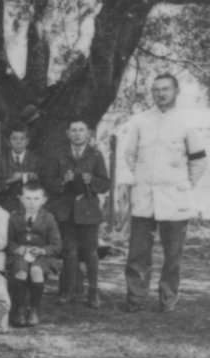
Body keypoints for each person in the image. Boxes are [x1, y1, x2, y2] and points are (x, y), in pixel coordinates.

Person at [122, 73, 207, 312]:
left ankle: (168, 298)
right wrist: (143, 177)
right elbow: (130, 155)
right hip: (145, 198)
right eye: (156, 89)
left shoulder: (186, 122)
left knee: (172, 255)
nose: (160, 94)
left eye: (165, 89)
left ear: (176, 91)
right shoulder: (140, 121)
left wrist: (184, 183)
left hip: (175, 199)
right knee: (138, 252)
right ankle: (136, 298)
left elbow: (199, 160)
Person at [45, 118, 110, 308]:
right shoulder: (59, 155)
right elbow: (48, 182)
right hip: (65, 211)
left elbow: (105, 184)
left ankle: (93, 293)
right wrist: (63, 181)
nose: (77, 134)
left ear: (88, 133)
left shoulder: (96, 155)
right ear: (68, 134)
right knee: (69, 253)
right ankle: (68, 292)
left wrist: (91, 182)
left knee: (91, 253)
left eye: (81, 130)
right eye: (73, 130)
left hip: (88, 212)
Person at [6, 182, 61, 327]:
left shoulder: (49, 218)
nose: (31, 203)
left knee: (36, 271)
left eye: (36, 199)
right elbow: (9, 241)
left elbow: (56, 245)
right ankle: (19, 309)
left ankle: (34, 310)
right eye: (28, 198)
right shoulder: (14, 217)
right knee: (21, 272)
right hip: (21, 254)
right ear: (21, 199)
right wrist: (18, 249)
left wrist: (42, 251)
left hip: (42, 256)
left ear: (44, 200)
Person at [0, 122, 43, 212]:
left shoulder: (35, 160)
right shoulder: (0, 160)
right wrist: (10, 180)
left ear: (27, 141)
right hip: (6, 204)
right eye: (14, 138)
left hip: (29, 205)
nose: (18, 142)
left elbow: (42, 183)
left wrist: (35, 178)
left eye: (22, 138)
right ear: (8, 141)